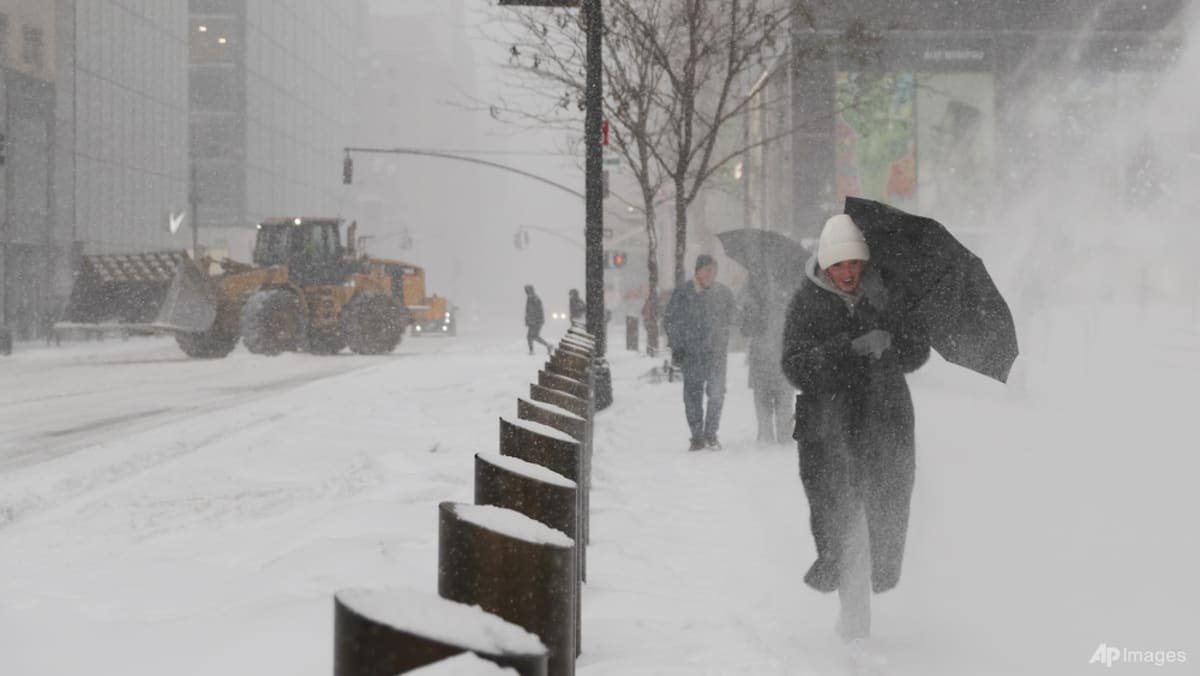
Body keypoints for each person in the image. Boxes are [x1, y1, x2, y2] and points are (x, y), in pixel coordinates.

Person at [781, 214, 930, 645]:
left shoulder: (885, 295)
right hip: (827, 435)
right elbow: (794, 365)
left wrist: (892, 340)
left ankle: (857, 619)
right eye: (839, 265)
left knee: (877, 522)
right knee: (842, 526)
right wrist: (847, 350)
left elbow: (916, 352)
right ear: (825, 265)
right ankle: (855, 621)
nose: (848, 273)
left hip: (884, 426)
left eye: (854, 264)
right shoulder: (805, 303)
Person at [664, 254, 735, 451]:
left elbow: (735, 318)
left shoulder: (723, 294)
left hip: (716, 354)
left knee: (717, 394)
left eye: (714, 270)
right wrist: (677, 345)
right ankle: (696, 436)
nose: (711, 274)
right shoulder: (683, 293)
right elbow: (671, 320)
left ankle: (711, 434)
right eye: (708, 269)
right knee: (692, 396)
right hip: (692, 353)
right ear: (698, 271)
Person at [739, 279, 795, 445]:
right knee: (764, 404)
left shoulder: (791, 296)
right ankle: (767, 442)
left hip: (782, 358)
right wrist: (752, 310)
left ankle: (781, 440)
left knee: (783, 404)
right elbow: (745, 329)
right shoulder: (753, 293)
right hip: (762, 359)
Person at [524, 285, 552, 355]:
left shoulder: (535, 299)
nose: (526, 292)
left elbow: (538, 310)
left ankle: (532, 351)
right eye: (526, 291)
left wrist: (534, 320)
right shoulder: (530, 298)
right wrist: (528, 320)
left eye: (527, 290)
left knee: (531, 336)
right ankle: (548, 346)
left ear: (531, 290)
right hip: (533, 321)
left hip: (536, 321)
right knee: (533, 336)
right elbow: (528, 311)